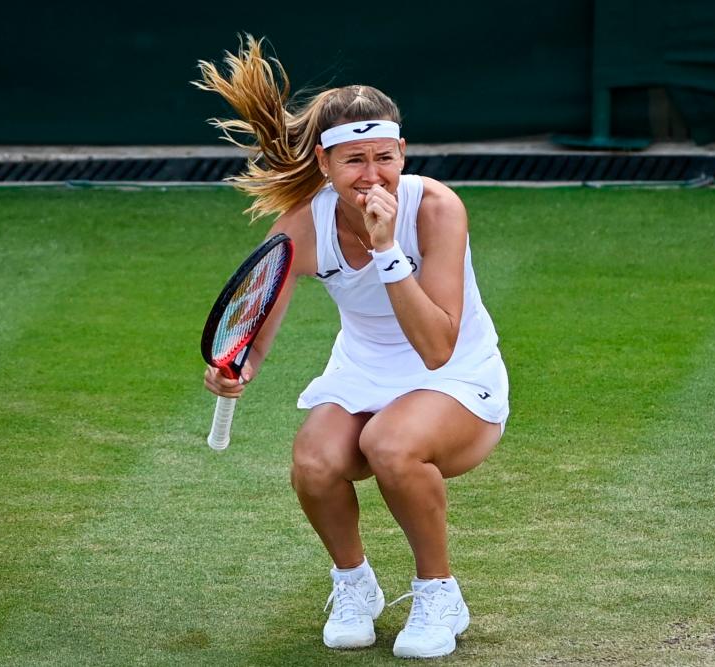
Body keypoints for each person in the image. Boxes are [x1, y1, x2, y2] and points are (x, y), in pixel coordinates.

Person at [194, 36, 509, 659]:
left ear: (403, 153)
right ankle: (354, 584)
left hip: (455, 377)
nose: (372, 176)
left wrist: (388, 249)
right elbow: (257, 330)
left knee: (388, 443)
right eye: (354, 161)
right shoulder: (302, 226)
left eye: (384, 158)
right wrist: (235, 369)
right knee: (313, 461)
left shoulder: (436, 208)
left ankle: (438, 592)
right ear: (325, 163)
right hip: (362, 373)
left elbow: (437, 347)